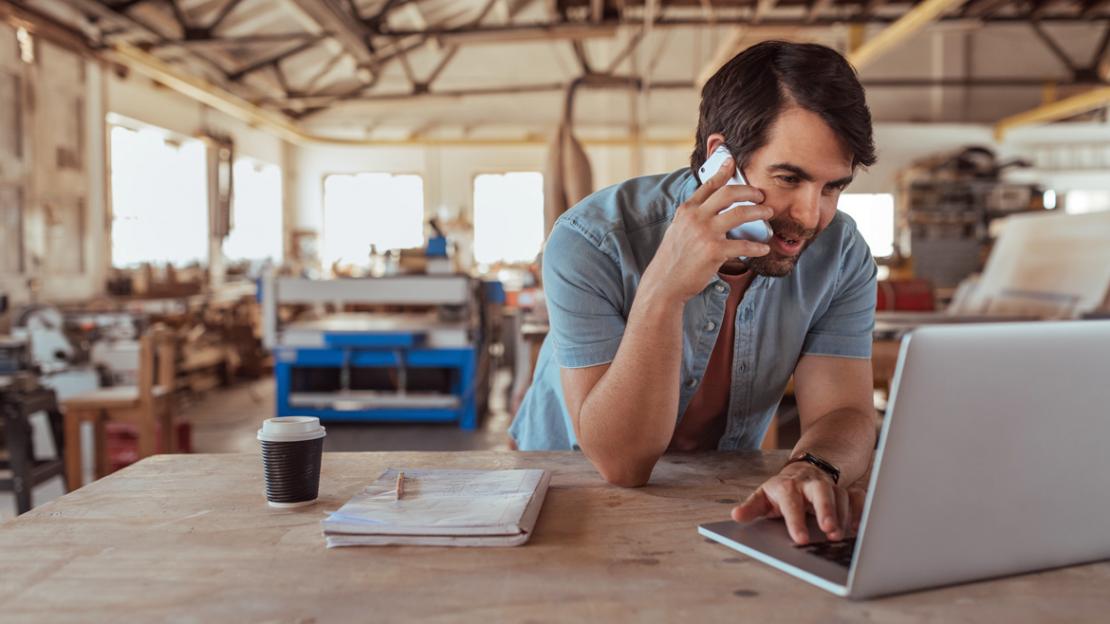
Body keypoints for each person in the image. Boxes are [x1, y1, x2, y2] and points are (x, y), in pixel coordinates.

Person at [510, 41, 879, 546]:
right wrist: (664, 291)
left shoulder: (841, 253)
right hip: (566, 488)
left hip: (723, 493)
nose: (811, 215)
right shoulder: (590, 241)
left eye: (833, 187)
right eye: (789, 178)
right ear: (720, 158)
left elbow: (846, 413)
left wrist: (813, 467)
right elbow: (621, 464)